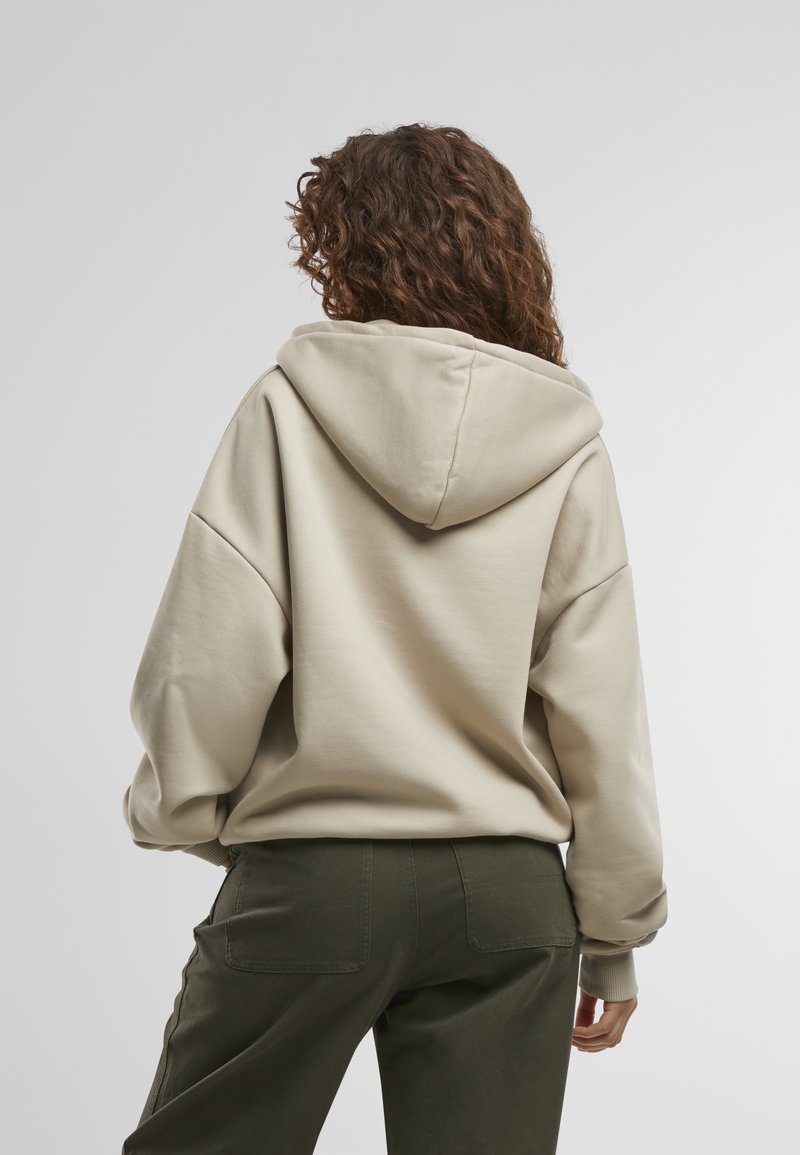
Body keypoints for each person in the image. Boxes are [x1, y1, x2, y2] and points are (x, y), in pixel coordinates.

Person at [120, 122, 668, 1155]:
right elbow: (600, 703)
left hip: (313, 876)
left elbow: (210, 652)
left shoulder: (285, 410)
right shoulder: (565, 441)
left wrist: (186, 808)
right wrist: (613, 933)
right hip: (508, 900)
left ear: (347, 252)